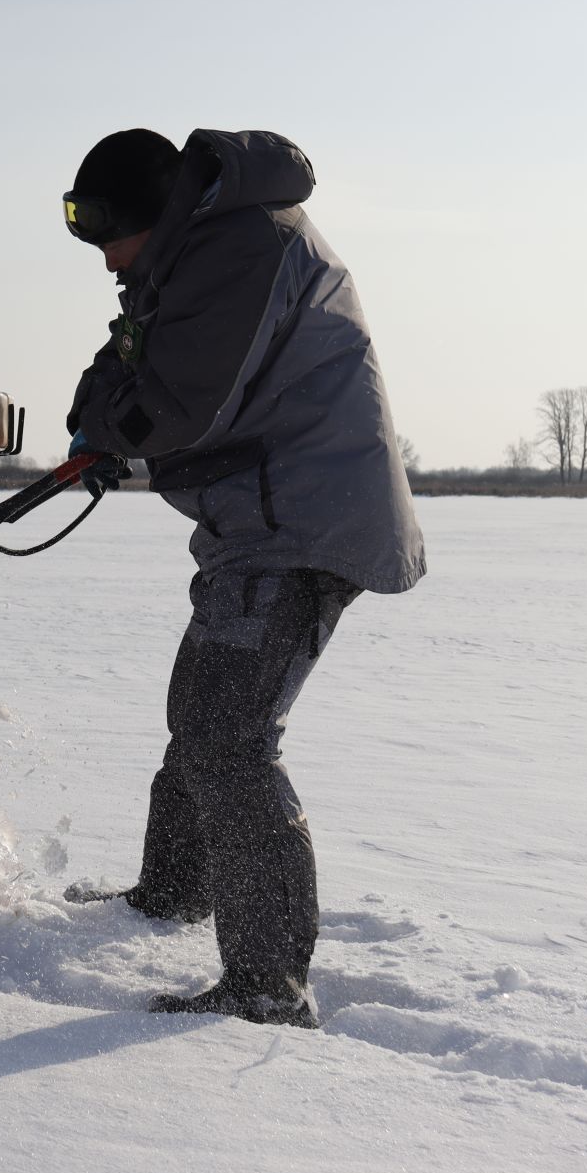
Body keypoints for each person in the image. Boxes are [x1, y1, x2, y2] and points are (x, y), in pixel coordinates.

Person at [60, 128, 426, 1024]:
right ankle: (177, 891)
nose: (105, 260)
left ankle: (267, 983)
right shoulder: (195, 254)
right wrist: (98, 423)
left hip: (300, 521)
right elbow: (133, 369)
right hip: (265, 516)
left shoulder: (240, 248)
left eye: (107, 234)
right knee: (204, 709)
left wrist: (111, 426)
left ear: (152, 213)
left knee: (227, 732)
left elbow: (173, 401)